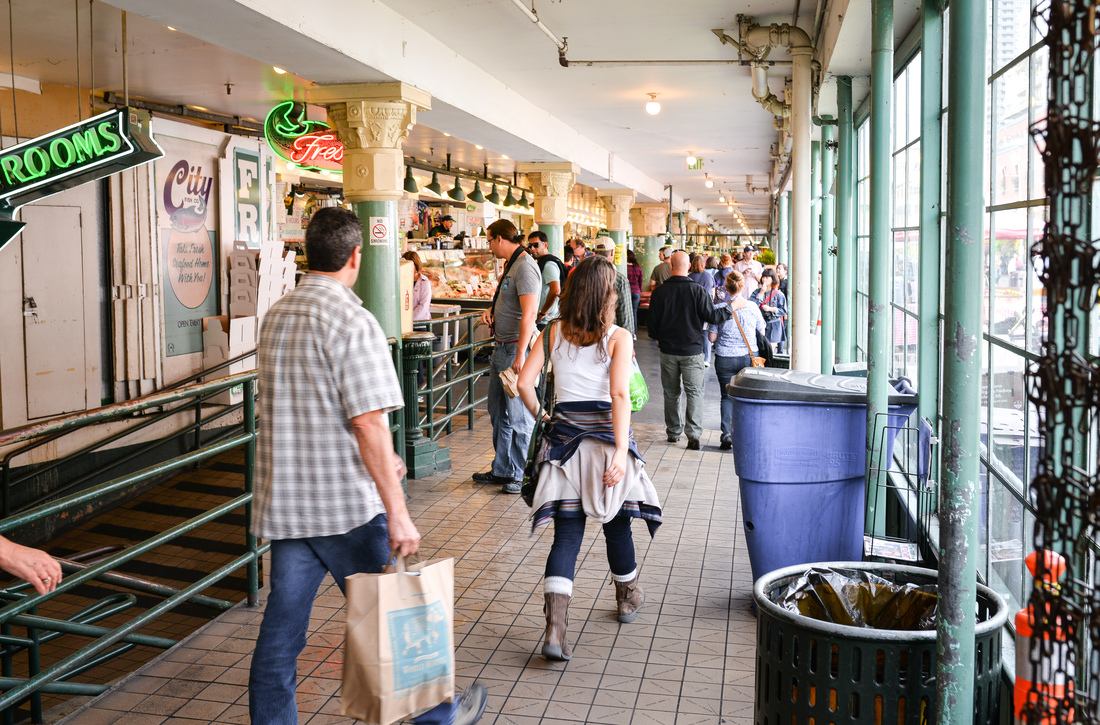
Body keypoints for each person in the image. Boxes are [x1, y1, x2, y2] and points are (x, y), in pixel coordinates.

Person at [249, 207, 487, 725]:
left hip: (287, 506)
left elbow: (311, 407)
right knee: (396, 613)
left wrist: (384, 456)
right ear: (356, 256)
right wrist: (398, 513)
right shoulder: (353, 321)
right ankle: (437, 716)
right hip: (345, 509)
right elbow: (368, 423)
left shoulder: (276, 316)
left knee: (280, 639)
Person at [517, 256, 662, 662]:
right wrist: (620, 451)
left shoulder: (552, 332)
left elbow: (525, 383)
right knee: (617, 524)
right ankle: (627, 596)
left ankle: (555, 629)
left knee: (566, 536)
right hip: (605, 443)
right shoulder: (618, 337)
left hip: (563, 445)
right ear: (605, 295)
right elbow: (619, 395)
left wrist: (545, 417)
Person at [473, 220, 540, 494]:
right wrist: (491, 311)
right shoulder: (511, 264)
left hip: (514, 350)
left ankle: (524, 474)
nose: (489, 246)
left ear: (501, 238)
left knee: (520, 416)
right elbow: (509, 302)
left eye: (490, 240)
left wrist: (521, 355)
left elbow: (530, 313)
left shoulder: (525, 266)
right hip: (502, 348)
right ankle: (503, 468)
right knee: (498, 411)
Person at [647, 251, 732, 450]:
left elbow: (651, 327)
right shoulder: (697, 290)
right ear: (688, 267)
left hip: (668, 351)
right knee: (694, 392)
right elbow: (712, 316)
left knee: (671, 392)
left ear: (671, 266)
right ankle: (693, 435)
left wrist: (662, 337)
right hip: (693, 351)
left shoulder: (659, 292)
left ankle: (673, 432)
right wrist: (729, 308)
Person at [709, 271, 766, 450]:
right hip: (749, 358)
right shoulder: (753, 307)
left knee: (726, 397)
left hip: (725, 358)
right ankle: (746, 434)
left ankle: (726, 434)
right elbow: (762, 331)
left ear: (727, 287)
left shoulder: (719, 309)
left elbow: (711, 337)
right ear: (742, 286)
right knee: (746, 397)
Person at [592, 237, 635, 333]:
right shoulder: (620, 280)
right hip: (611, 334)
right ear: (612, 253)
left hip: (585, 334)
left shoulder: (581, 276)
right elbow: (625, 317)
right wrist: (629, 337)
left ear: (594, 253)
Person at [528, 231, 565, 329]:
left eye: (536, 245)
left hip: (546, 320)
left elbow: (555, 290)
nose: (532, 249)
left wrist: (542, 313)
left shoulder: (548, 264)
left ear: (545, 245)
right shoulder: (543, 262)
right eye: (530, 246)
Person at [687, 254, 718, 366]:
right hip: (705, 308)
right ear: (703, 264)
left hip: (692, 309)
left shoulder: (689, 277)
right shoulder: (708, 276)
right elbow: (713, 293)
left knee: (692, 331)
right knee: (705, 333)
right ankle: (707, 358)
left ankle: (693, 354)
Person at [750, 269, 788, 353]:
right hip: (759, 325)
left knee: (770, 350)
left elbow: (784, 310)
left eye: (767, 277)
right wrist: (761, 293)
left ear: (773, 279)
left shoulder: (778, 294)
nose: (764, 279)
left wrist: (771, 309)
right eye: (763, 277)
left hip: (773, 325)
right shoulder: (756, 292)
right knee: (760, 350)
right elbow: (750, 307)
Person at [402, 251, 433, 322]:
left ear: (416, 266)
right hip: (403, 322)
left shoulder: (424, 282)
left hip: (420, 323)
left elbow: (423, 306)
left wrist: (409, 320)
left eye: (410, 266)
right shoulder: (401, 281)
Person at [626, 249, 643, 331]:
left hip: (627, 292)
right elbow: (640, 281)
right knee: (634, 312)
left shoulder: (624, 268)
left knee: (627, 312)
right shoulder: (638, 267)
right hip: (636, 292)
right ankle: (635, 331)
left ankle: (629, 331)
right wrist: (640, 291)